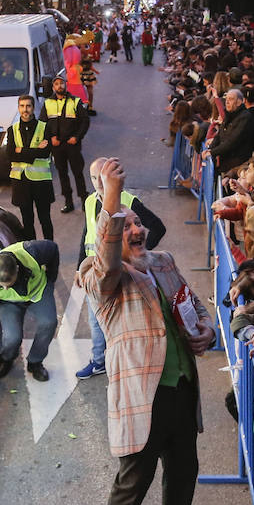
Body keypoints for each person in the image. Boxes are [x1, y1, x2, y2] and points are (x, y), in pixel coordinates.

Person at [79, 158, 216, 505]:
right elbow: (105, 264)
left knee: (183, 473)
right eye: (126, 226)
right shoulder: (99, 277)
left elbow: (195, 305)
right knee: (132, 483)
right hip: (143, 397)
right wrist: (112, 199)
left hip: (181, 390)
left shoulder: (164, 261)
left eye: (138, 224)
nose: (136, 231)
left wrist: (207, 331)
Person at [75, 157, 168, 380]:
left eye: (102, 177)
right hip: (96, 274)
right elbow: (86, 234)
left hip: (121, 275)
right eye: (94, 178)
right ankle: (99, 361)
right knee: (96, 322)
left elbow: (158, 227)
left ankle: (129, 366)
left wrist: (136, 255)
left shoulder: (128, 200)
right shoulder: (90, 202)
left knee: (126, 323)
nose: (98, 182)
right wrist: (80, 268)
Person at [0, 240, 59, 382]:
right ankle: (7, 358)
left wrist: (51, 278)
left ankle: (35, 362)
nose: (6, 289)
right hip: (9, 303)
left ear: (17, 270)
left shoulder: (32, 251)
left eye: (9, 284)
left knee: (49, 323)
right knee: (12, 337)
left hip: (38, 291)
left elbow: (53, 249)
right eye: (1, 286)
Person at [8, 95, 56, 241]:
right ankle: (33, 252)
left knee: (45, 219)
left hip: (41, 182)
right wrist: (34, 151)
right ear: (18, 108)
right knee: (27, 221)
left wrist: (21, 150)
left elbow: (46, 152)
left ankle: (50, 249)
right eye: (22, 106)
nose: (25, 110)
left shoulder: (44, 127)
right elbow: (10, 154)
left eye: (28, 106)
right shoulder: (12, 129)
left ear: (33, 108)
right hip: (21, 182)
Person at [43, 75, 90, 213]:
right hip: (57, 146)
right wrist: (50, 137)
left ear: (65, 85)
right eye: (56, 84)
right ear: (53, 87)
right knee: (62, 174)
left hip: (72, 144)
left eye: (61, 83)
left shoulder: (75, 102)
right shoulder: (47, 103)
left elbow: (85, 121)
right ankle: (68, 202)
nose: (59, 86)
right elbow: (42, 124)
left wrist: (77, 137)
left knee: (78, 173)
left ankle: (84, 200)